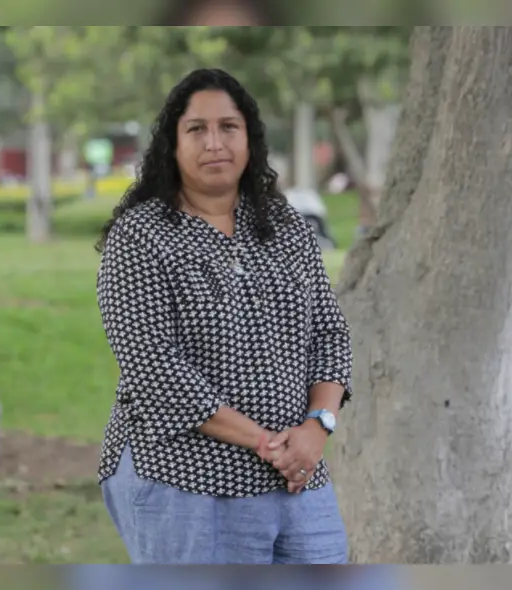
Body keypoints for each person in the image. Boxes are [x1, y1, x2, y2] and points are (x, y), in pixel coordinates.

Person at [93, 68, 354, 565]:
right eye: (196, 129)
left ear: (250, 141)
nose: (214, 142)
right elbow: (153, 366)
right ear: (172, 144)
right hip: (184, 478)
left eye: (228, 127)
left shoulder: (286, 227)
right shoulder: (140, 237)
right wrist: (267, 443)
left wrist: (317, 427)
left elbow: (330, 333)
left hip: (298, 476)